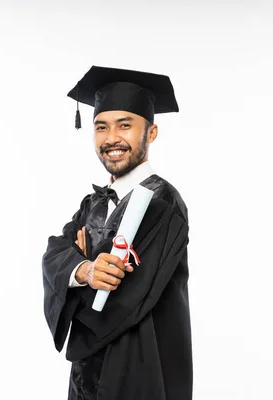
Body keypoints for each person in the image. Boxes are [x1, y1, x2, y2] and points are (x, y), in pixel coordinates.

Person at [42, 65, 193, 400]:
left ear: (150, 133)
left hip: (140, 371)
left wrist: (81, 266)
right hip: (86, 378)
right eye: (101, 127)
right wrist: (85, 269)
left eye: (125, 125)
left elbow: (120, 300)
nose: (111, 138)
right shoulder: (92, 204)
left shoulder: (163, 204)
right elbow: (54, 254)